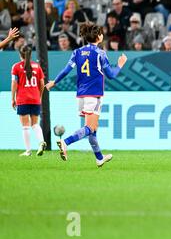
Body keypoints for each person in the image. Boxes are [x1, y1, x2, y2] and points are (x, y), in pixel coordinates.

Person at [45, 22, 128, 167]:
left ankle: (99, 158)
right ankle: (66, 142)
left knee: (92, 130)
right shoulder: (100, 53)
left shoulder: (77, 52)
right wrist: (120, 64)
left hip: (81, 95)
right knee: (90, 128)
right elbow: (111, 75)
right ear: (98, 36)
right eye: (101, 33)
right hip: (94, 95)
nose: (102, 35)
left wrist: (54, 82)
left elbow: (66, 70)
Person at [11, 46, 47, 157]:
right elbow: (42, 83)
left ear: (20, 54)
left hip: (23, 99)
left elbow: (14, 84)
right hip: (35, 98)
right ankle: (41, 142)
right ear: (31, 55)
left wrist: (13, 98)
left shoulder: (16, 67)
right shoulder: (37, 66)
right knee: (35, 124)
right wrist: (39, 96)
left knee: (25, 126)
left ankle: (28, 151)